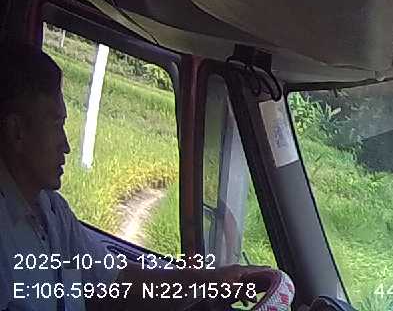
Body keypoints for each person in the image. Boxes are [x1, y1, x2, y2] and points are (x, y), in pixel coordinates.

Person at [0, 41, 271, 311]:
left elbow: (118, 281)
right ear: (17, 132)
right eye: (56, 125)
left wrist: (210, 281)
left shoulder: (52, 211)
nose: (66, 145)